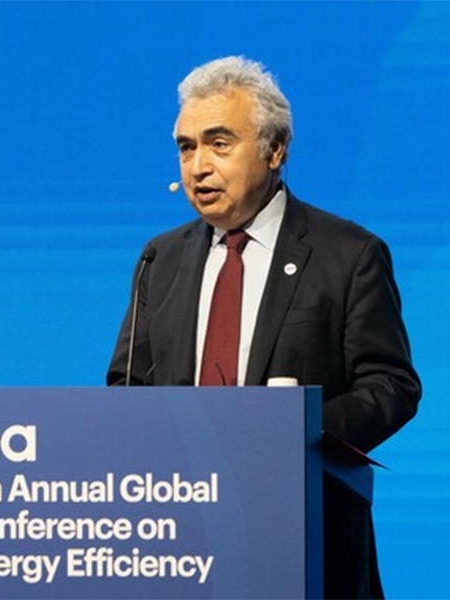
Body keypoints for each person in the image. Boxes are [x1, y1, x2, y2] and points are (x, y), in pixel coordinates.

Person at [107, 55, 421, 599]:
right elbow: (127, 386)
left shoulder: (348, 255)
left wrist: (294, 434)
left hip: (309, 539)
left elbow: (391, 385)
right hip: (181, 541)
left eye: (219, 143)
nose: (198, 167)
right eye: (186, 147)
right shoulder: (161, 259)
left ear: (275, 150)